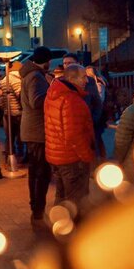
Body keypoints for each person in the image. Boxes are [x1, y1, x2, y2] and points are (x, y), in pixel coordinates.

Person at [45, 64, 95, 216]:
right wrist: (87, 156)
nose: (86, 80)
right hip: (72, 159)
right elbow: (74, 135)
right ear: (73, 79)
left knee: (61, 196)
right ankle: (76, 229)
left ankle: (59, 224)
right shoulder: (72, 100)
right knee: (76, 201)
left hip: (56, 156)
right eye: (83, 77)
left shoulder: (53, 94)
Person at [21, 46, 53, 225]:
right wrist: (52, 93)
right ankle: (38, 210)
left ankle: (36, 208)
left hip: (31, 130)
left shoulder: (30, 75)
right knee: (41, 172)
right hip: (37, 131)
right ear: (46, 60)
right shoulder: (36, 76)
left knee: (35, 171)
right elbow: (37, 101)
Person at [0, 61, 23, 160]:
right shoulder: (16, 79)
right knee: (20, 137)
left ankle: (9, 155)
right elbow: (20, 95)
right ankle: (20, 156)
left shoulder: (4, 80)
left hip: (7, 112)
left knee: (10, 137)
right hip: (17, 112)